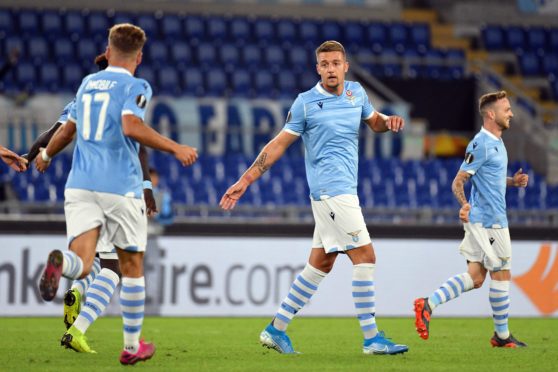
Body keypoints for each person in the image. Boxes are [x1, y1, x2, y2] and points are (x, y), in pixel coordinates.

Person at [220, 40, 408, 355]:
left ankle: (275, 329)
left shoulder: (356, 93)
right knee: (365, 257)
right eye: (325, 64)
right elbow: (278, 144)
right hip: (331, 192)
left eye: (336, 63)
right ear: (317, 68)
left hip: (343, 190)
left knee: (321, 264)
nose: (331, 69)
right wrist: (246, 179)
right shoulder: (306, 103)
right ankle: (372, 338)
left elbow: (373, 121)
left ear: (345, 66)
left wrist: (388, 122)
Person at [35, 23, 198, 364]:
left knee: (82, 263)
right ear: (139, 57)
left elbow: (67, 130)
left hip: (79, 185)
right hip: (119, 188)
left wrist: (46, 155)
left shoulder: (87, 85)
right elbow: (131, 126)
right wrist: (175, 148)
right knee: (131, 266)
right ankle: (131, 346)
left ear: (108, 51)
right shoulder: (136, 85)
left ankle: (59, 263)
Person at [23, 53, 158, 332]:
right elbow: (140, 147)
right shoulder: (126, 95)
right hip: (117, 187)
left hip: (81, 186)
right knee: (112, 266)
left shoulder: (82, 97)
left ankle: (75, 289)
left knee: (90, 258)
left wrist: (30, 156)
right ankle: (80, 328)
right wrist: (146, 187)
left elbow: (54, 133)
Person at [413, 90, 529, 348]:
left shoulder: (497, 142)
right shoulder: (481, 143)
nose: (511, 113)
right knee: (502, 274)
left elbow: (488, 179)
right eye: (506, 109)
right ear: (491, 114)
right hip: (489, 222)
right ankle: (501, 336)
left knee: (476, 277)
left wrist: (513, 182)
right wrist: (465, 205)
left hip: (485, 220)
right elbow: (459, 181)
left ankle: (428, 304)